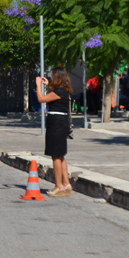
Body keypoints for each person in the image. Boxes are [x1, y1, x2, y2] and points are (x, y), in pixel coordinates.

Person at [36, 67, 74, 197]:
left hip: (56, 123)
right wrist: (48, 85)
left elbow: (41, 99)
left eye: (52, 76)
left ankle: (59, 185)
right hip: (60, 122)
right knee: (60, 155)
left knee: (56, 155)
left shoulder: (59, 91)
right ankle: (66, 184)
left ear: (56, 77)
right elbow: (52, 95)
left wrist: (38, 85)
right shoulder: (62, 90)